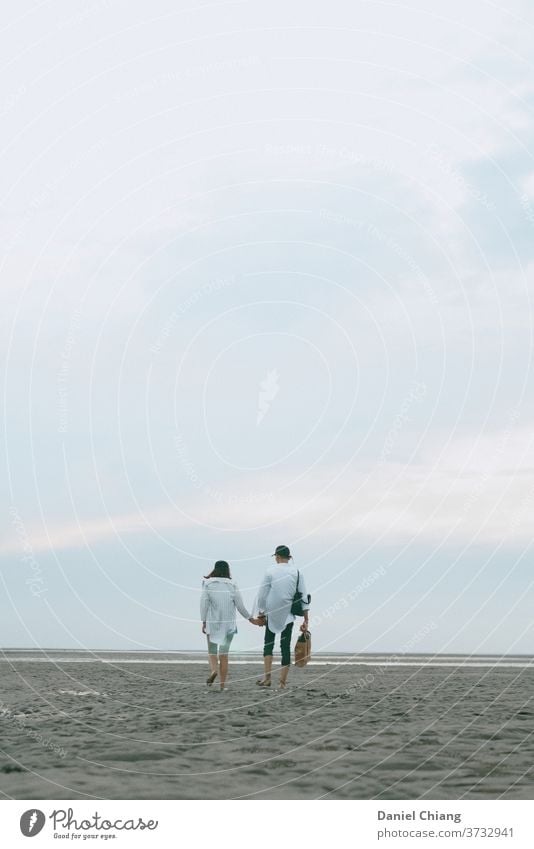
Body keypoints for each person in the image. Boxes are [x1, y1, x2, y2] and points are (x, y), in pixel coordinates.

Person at [255, 544, 310, 689]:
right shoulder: (297, 572)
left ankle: (267, 678)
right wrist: (306, 619)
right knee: (285, 647)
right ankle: (282, 683)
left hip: (271, 613)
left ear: (277, 557)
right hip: (288, 615)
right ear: (289, 557)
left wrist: (261, 612)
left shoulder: (270, 571)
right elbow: (304, 596)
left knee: (268, 644)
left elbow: (262, 595)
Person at [200, 560, 259, 691]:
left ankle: (214, 670)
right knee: (224, 655)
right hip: (229, 626)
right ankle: (222, 686)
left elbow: (203, 604)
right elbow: (240, 605)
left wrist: (203, 621)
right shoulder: (232, 585)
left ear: (214, 570)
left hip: (212, 623)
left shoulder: (207, 584)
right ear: (228, 571)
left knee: (212, 651)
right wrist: (250, 618)